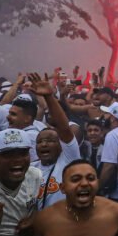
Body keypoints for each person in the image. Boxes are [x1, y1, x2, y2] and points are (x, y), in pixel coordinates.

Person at [25, 159, 118, 236]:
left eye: (91, 178)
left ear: (98, 183)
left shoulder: (115, 212)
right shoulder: (46, 218)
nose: (85, 183)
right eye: (76, 179)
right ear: (63, 188)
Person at [28, 73, 82, 209]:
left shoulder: (68, 159)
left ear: (60, 145)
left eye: (50, 141)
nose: (44, 144)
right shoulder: (30, 169)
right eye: (40, 142)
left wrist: (49, 97)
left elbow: (64, 129)